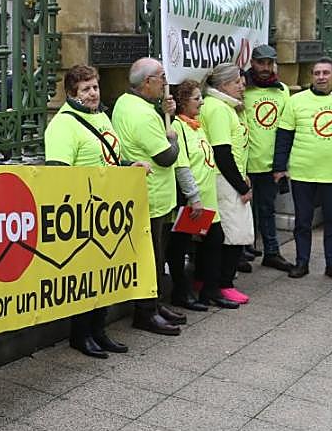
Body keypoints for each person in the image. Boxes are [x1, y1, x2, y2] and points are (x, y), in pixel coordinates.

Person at [44, 65, 147, 357]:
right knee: (85, 279)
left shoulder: (101, 116)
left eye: (95, 87)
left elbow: (110, 158)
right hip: (83, 214)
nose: (93, 93)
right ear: (72, 92)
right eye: (86, 89)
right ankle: (81, 334)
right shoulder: (63, 125)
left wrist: (129, 166)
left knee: (104, 277)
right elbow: (58, 175)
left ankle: (100, 330)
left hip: (108, 213)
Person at [111, 58, 184, 336]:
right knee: (151, 256)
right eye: (162, 77)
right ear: (147, 82)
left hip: (153, 195)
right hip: (150, 195)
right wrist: (173, 137)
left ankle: (155, 303)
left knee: (157, 253)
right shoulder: (141, 114)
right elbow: (166, 156)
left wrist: (168, 114)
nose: (166, 82)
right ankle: (146, 310)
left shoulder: (127, 103)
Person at [272, 58, 332, 283]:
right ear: (312, 76)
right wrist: (279, 167)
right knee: (302, 221)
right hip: (302, 171)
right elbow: (284, 136)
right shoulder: (296, 100)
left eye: (326, 73)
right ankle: (302, 262)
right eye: (317, 73)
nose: (321, 77)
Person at [170, 79, 238, 309]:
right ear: (182, 102)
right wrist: (193, 196)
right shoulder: (178, 126)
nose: (201, 102)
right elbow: (183, 165)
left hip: (208, 198)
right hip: (193, 200)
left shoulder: (197, 125)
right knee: (181, 245)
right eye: (196, 98)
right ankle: (182, 291)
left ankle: (210, 290)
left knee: (214, 241)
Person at [201, 63, 253, 304]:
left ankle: (207, 278)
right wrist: (241, 186)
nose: (242, 85)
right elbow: (222, 153)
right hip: (225, 180)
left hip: (228, 177)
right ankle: (224, 282)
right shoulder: (219, 109)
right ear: (223, 85)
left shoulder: (221, 106)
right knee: (233, 233)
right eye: (236, 82)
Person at [241, 45, 294, 272]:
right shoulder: (242, 87)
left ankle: (272, 252)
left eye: (269, 63)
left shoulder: (281, 90)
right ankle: (242, 251)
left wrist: (281, 163)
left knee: (267, 209)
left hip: (270, 163)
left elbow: (286, 128)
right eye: (260, 63)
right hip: (243, 162)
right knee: (242, 211)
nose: (265, 67)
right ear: (252, 63)